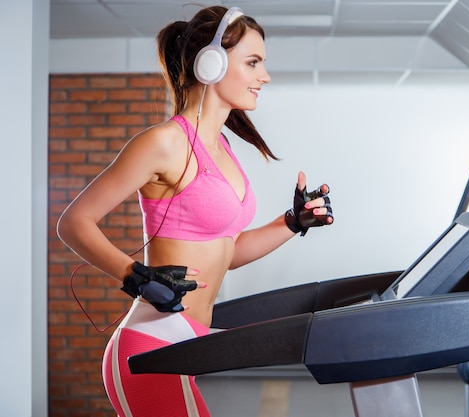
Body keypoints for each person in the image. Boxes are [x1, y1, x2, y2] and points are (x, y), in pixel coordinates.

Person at [57, 5, 333, 417]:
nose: (265, 76)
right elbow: (73, 222)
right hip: (149, 346)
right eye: (253, 62)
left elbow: (228, 252)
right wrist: (135, 277)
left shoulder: (221, 148)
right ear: (212, 62)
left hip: (184, 344)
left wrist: (292, 223)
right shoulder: (165, 142)